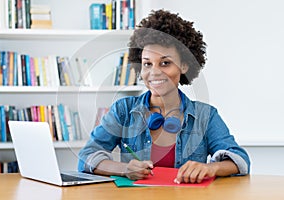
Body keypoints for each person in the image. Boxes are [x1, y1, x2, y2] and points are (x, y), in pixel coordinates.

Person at [78, 9, 250, 184]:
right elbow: (86, 157)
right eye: (147, 64)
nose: (154, 72)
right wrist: (124, 169)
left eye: (165, 63)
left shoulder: (205, 115)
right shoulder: (124, 110)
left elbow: (240, 160)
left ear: (183, 65)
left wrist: (210, 168)